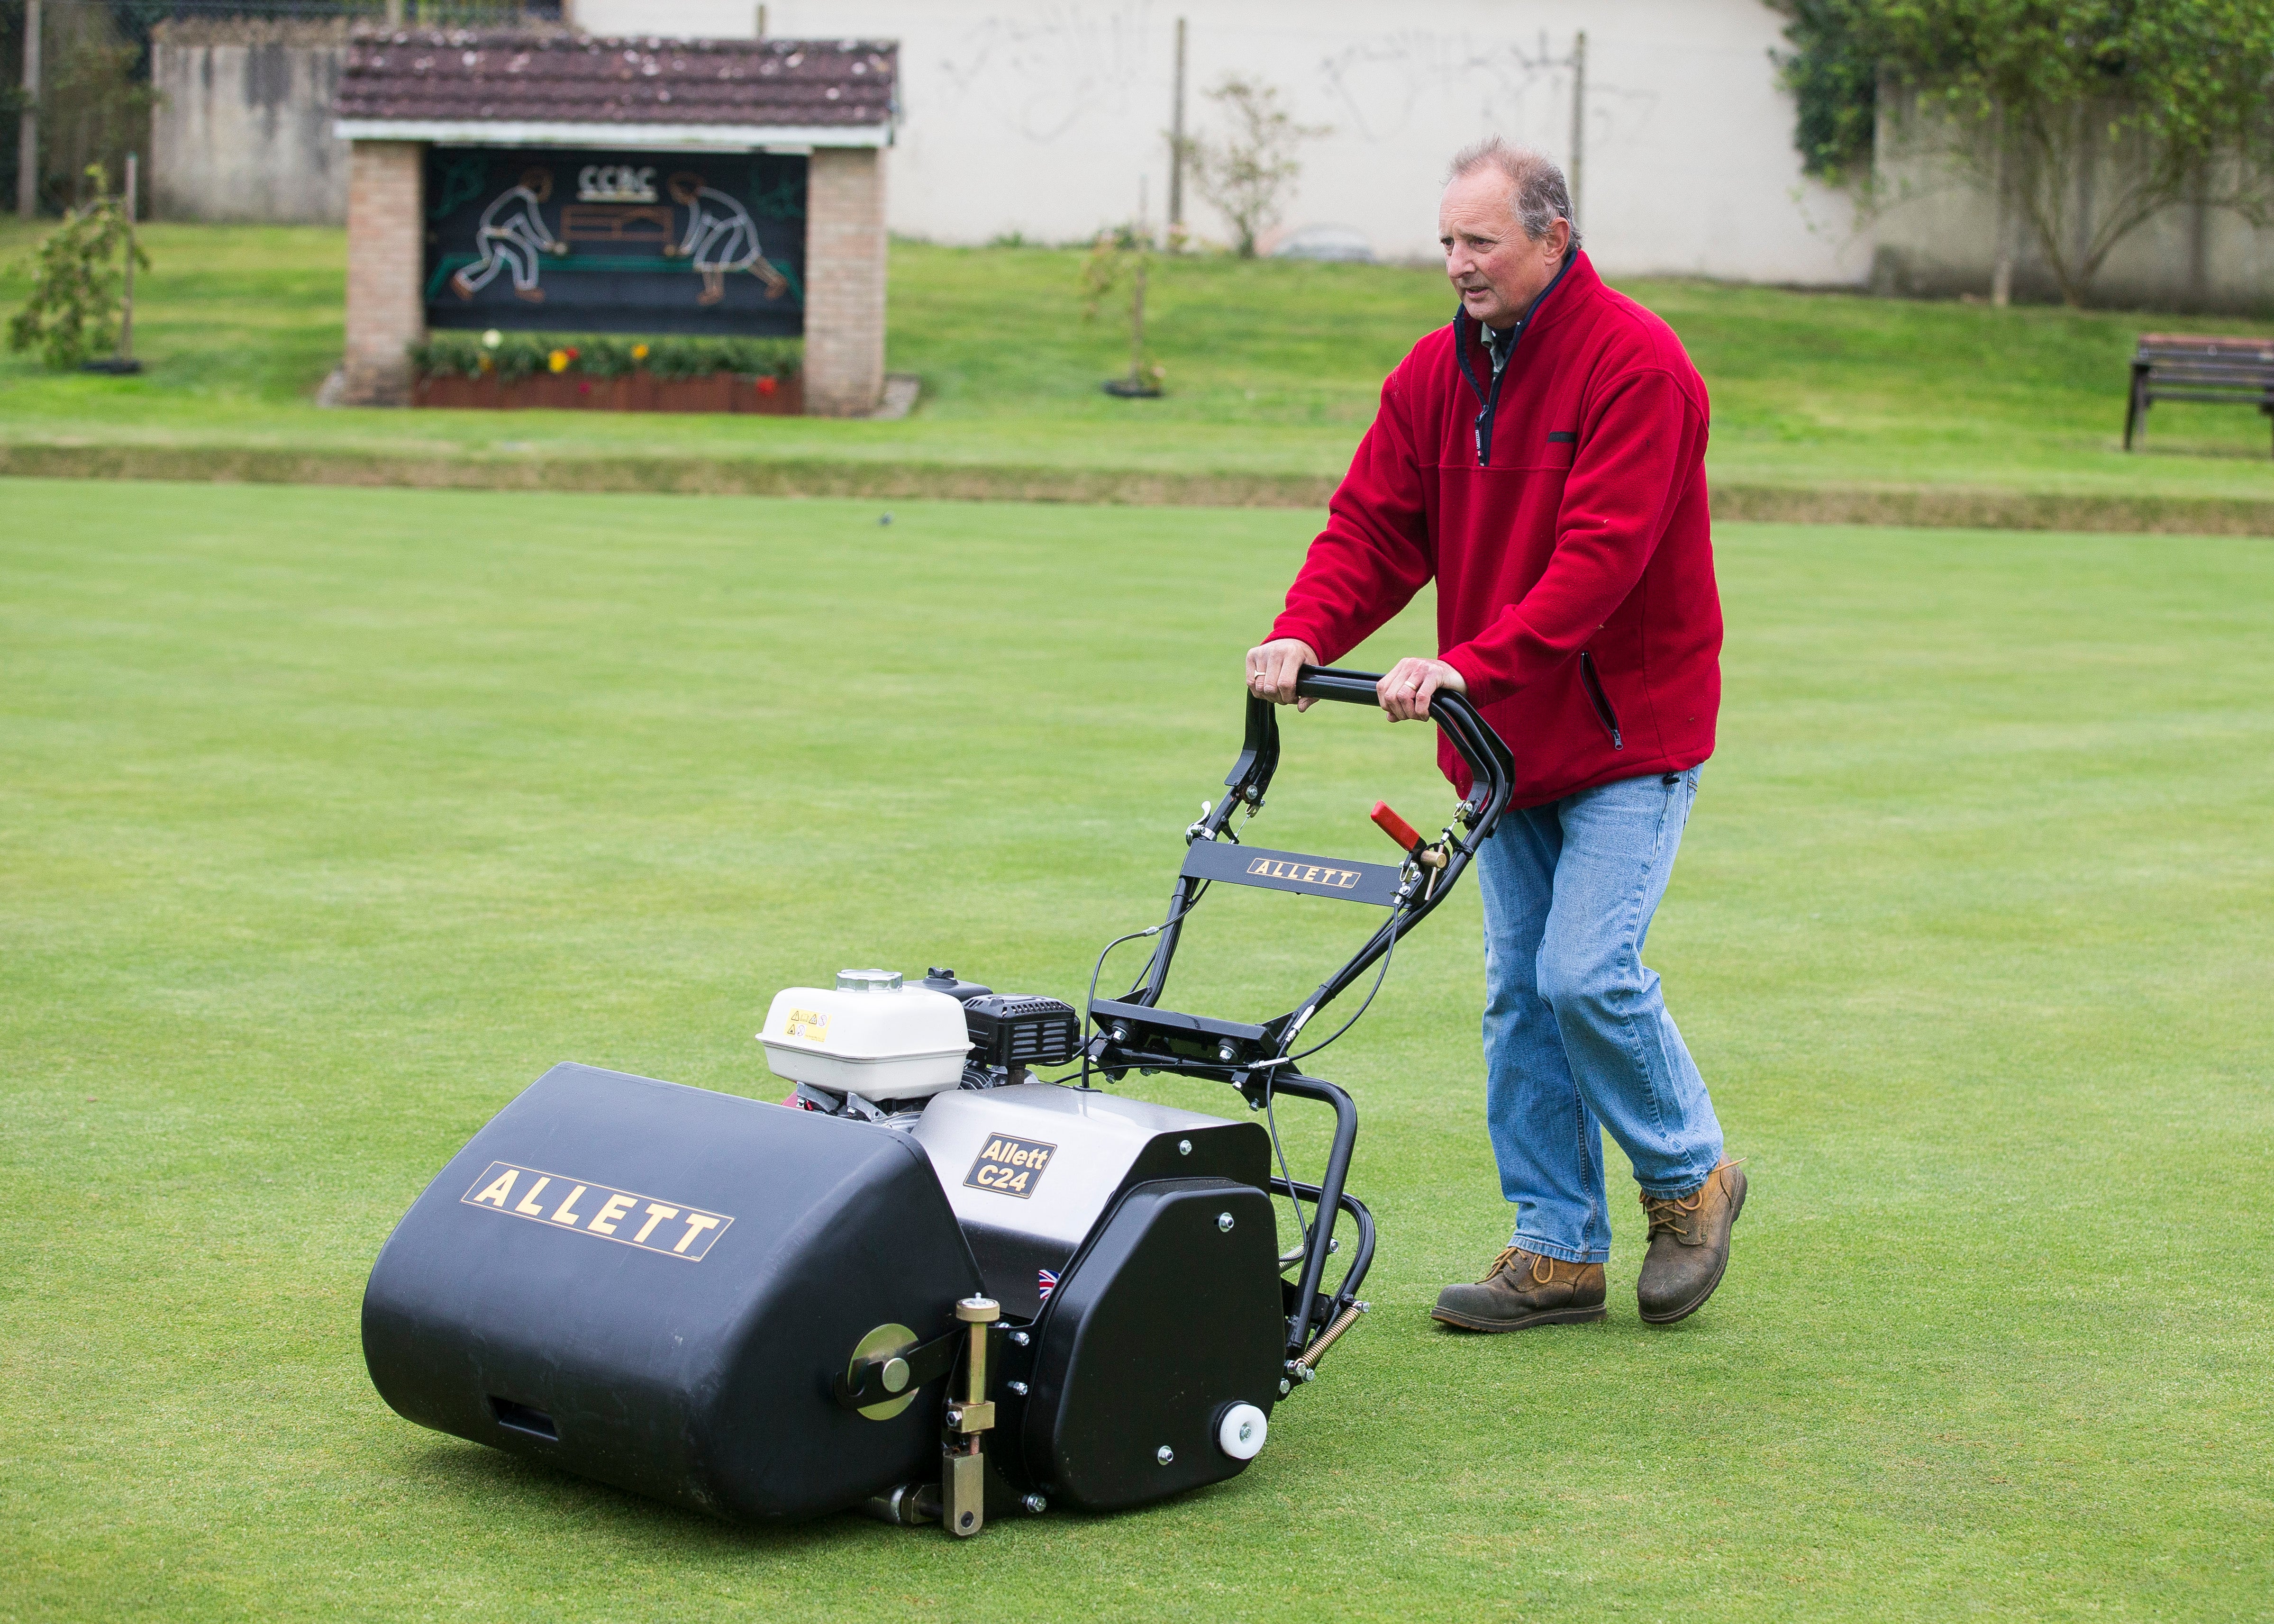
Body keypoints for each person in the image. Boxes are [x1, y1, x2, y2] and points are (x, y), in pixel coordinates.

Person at [1245, 138, 1745, 1332]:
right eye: (1446, 243)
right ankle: (1557, 1249)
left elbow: (1598, 561)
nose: (1457, 265)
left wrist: (1469, 660)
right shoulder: (1434, 373)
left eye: (1479, 242)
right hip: (1501, 738)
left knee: (1584, 972)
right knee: (1520, 995)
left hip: (1624, 732)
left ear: (1552, 238)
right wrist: (1304, 631)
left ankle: (1690, 1177)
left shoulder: (1637, 366)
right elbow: (1373, 527)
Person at [664, 172, 791, 305]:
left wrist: (685, 249)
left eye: (678, 194)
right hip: (729, 227)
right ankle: (774, 279)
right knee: (746, 258)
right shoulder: (700, 198)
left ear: (685, 190)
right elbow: (697, 227)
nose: (677, 197)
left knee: (711, 256)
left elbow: (698, 229)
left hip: (733, 226)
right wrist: (686, 248)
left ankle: (716, 290)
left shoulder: (701, 198)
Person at [450, 169, 567, 305]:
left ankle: (464, 281)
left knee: (493, 263)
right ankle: (524, 286)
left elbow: (527, 224)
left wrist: (546, 243)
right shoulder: (524, 197)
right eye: (546, 188)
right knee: (526, 251)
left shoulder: (519, 194)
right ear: (537, 185)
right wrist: (545, 244)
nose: (547, 192)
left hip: (494, 234)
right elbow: (532, 225)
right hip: (495, 233)